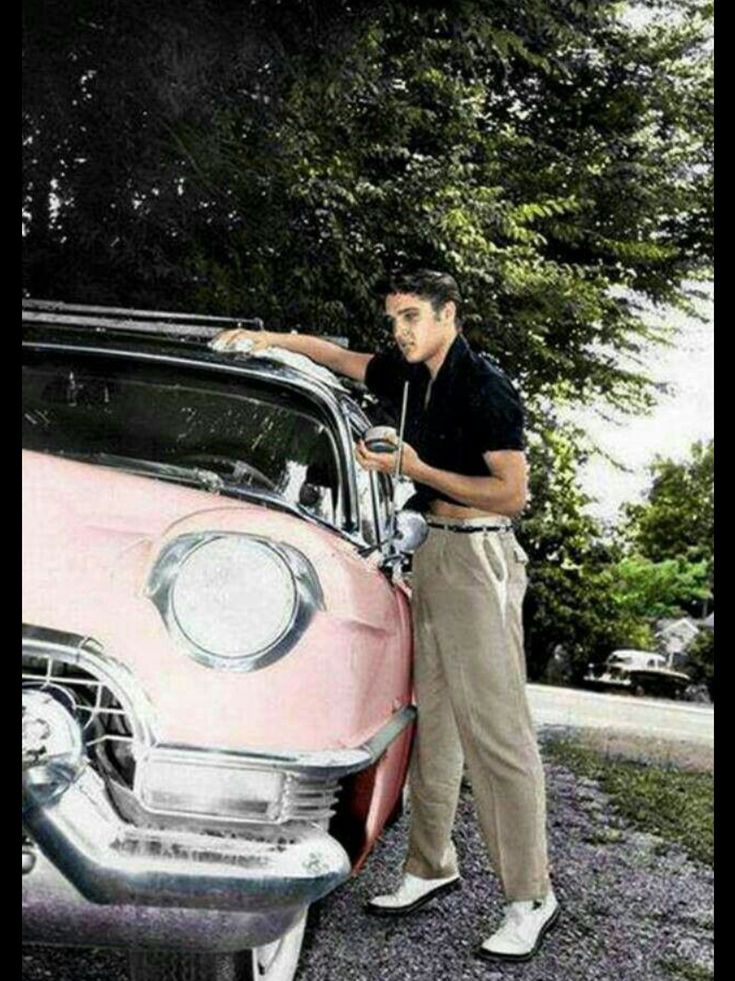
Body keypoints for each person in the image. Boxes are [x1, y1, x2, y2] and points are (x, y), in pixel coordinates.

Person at [211, 270, 558, 963]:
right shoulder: (405, 374)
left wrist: (416, 466)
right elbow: (336, 357)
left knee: (497, 733)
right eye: (393, 318)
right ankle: (431, 863)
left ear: (447, 314)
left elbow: (513, 493)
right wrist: (266, 339)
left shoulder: (485, 387)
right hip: (431, 555)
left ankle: (531, 896)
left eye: (410, 317)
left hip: (480, 560)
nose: (399, 330)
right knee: (434, 722)